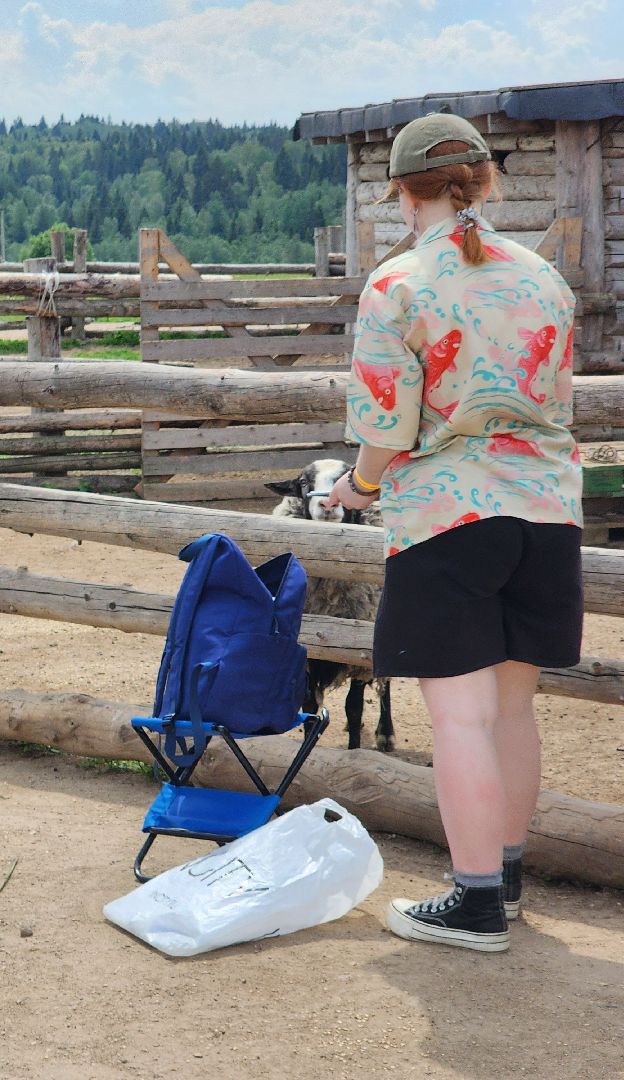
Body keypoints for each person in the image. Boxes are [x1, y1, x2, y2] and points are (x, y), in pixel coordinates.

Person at [326, 112, 581, 953]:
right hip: (545, 514)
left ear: (404, 194)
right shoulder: (543, 277)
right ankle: (502, 882)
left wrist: (361, 488)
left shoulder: (398, 283)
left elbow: (387, 426)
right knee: (512, 712)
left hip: (448, 516)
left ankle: (473, 906)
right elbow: (557, 399)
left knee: (461, 719)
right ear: (483, 182)